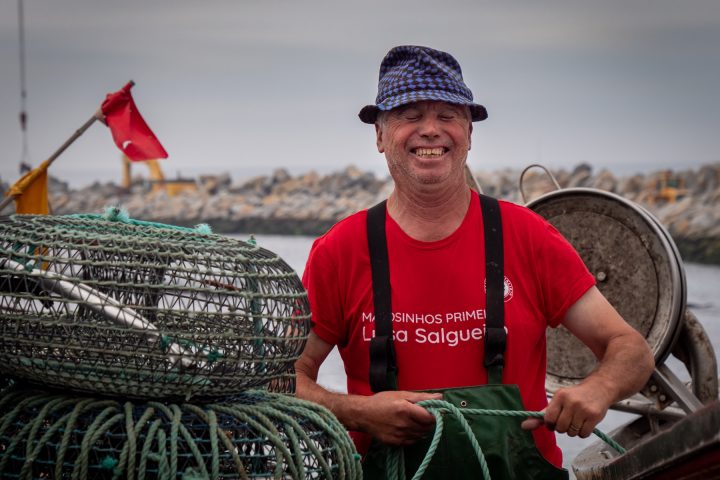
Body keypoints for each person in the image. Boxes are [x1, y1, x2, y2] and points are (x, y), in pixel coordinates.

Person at [295, 45, 654, 478]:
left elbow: (630, 349)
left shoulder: (528, 236)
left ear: (469, 132)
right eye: (409, 115)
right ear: (379, 135)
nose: (430, 130)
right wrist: (356, 411)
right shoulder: (341, 251)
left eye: (447, 115)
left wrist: (597, 390)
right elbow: (284, 379)